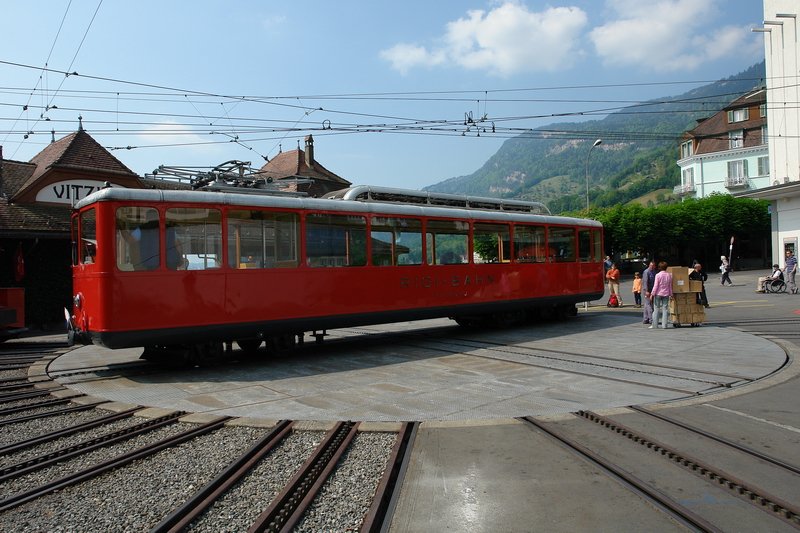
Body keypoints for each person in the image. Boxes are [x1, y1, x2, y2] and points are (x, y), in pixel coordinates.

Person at [650, 261, 673, 329]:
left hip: (658, 294)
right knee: (665, 309)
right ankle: (664, 325)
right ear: (666, 268)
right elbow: (670, 286)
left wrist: (652, 294)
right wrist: (671, 294)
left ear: (659, 267)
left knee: (656, 309)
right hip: (666, 294)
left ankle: (655, 325)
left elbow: (655, 286)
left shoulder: (658, 275)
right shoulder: (669, 275)